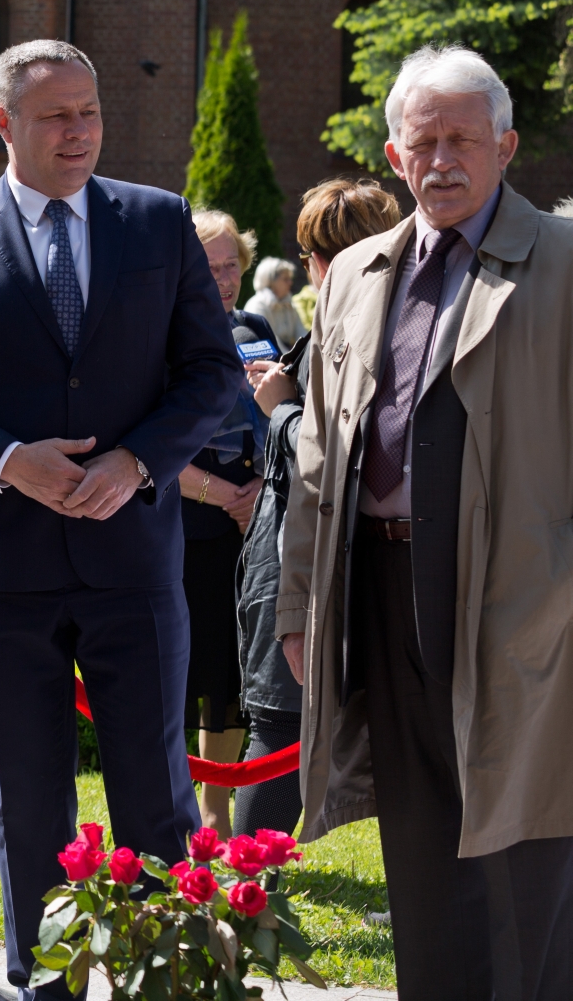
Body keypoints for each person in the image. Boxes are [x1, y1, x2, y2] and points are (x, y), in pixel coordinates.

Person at [0, 39, 241, 1001]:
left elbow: (212, 372)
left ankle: (168, 988)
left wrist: (137, 461)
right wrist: (6, 460)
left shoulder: (157, 222)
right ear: (5, 123)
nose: (79, 133)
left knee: (157, 806)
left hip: (134, 562)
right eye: (55, 117)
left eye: (90, 112)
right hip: (3, 570)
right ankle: (47, 989)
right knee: (30, 811)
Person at [280, 46, 573, 1001]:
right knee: (420, 855)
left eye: (462, 141)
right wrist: (298, 604)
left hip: (527, 603)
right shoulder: (355, 273)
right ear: (394, 157)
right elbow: (318, 453)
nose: (441, 161)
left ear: (506, 147)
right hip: (379, 589)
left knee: (527, 851)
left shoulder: (563, 264)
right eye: (423, 143)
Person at [232, 177, 401, 839]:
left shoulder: (354, 326)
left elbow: (332, 450)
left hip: (304, 563)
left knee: (277, 729)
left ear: (322, 261)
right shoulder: (401, 321)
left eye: (309, 256)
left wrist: (279, 409)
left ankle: (247, 894)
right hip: (346, 556)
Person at [179, 210, 274, 832]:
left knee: (232, 675)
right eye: (209, 267)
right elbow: (148, 446)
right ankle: (174, 802)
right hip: (184, 531)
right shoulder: (161, 333)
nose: (223, 279)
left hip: (246, 533)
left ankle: (215, 809)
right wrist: (223, 496)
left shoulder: (255, 327)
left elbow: (282, 415)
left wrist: (261, 487)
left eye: (231, 265)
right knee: (183, 673)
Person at [244, 255, 304, 347]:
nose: (290, 282)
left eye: (290, 279)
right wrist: (291, 355)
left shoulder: (289, 304)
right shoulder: (257, 305)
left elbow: (301, 334)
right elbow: (267, 340)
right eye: (285, 279)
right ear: (270, 281)